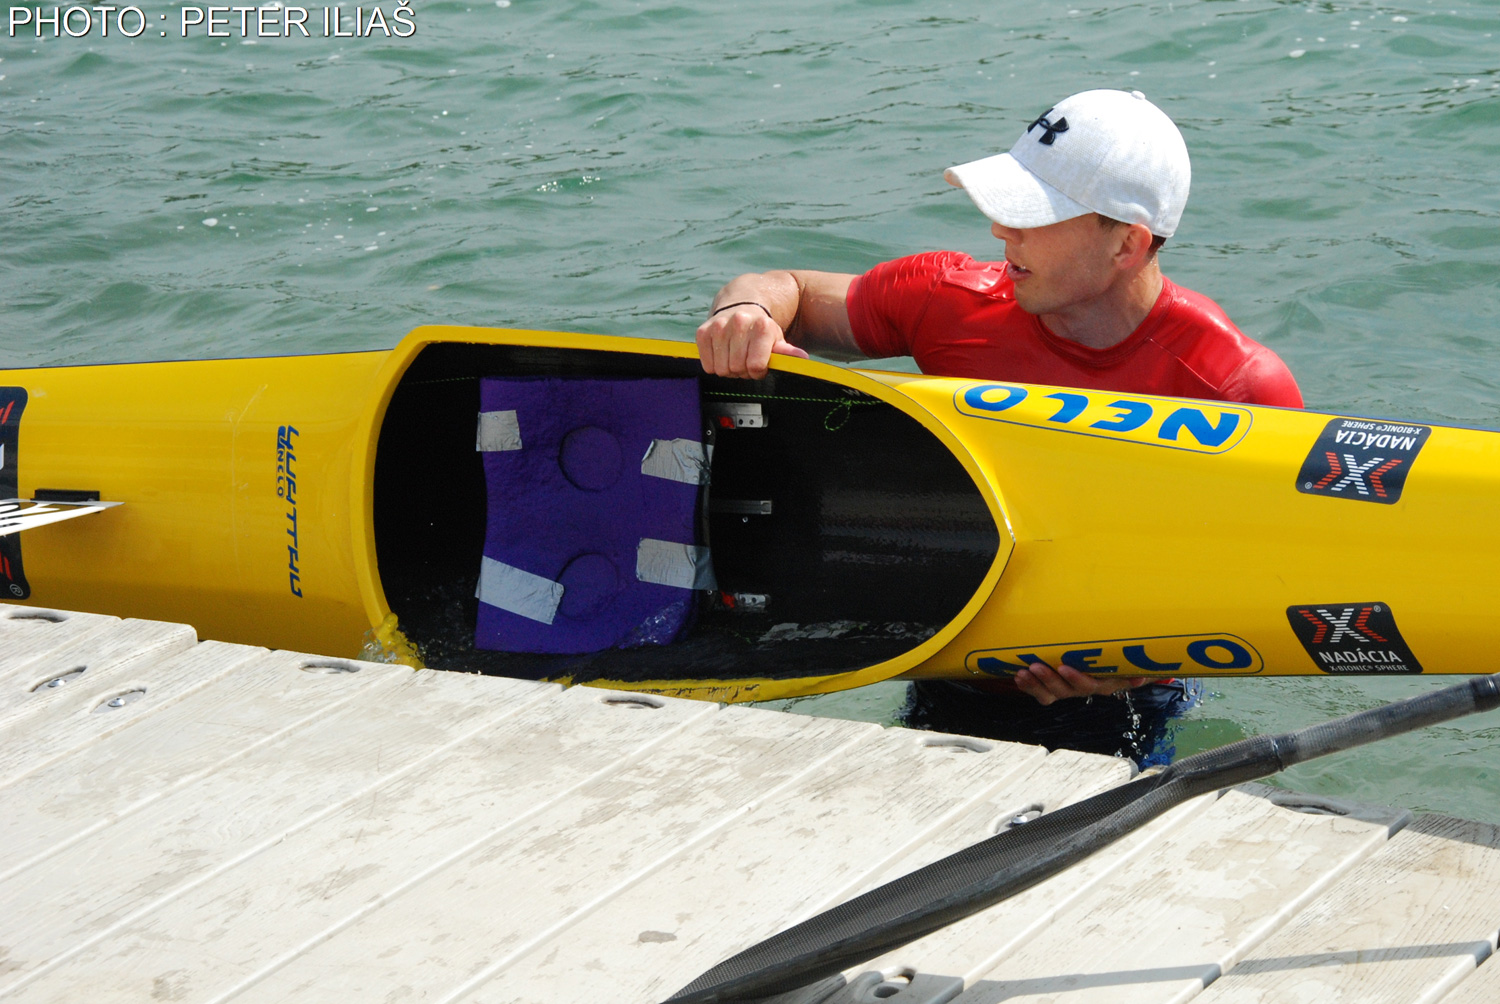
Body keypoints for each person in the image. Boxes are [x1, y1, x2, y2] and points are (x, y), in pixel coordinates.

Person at [695, 88, 1303, 763]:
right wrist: (746, 314)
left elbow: (1281, 582)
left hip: (1125, 704)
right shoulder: (948, 300)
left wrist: (1144, 663)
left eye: (1032, 216)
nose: (1000, 232)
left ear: (1127, 243)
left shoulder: (1238, 389)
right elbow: (790, 290)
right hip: (950, 669)